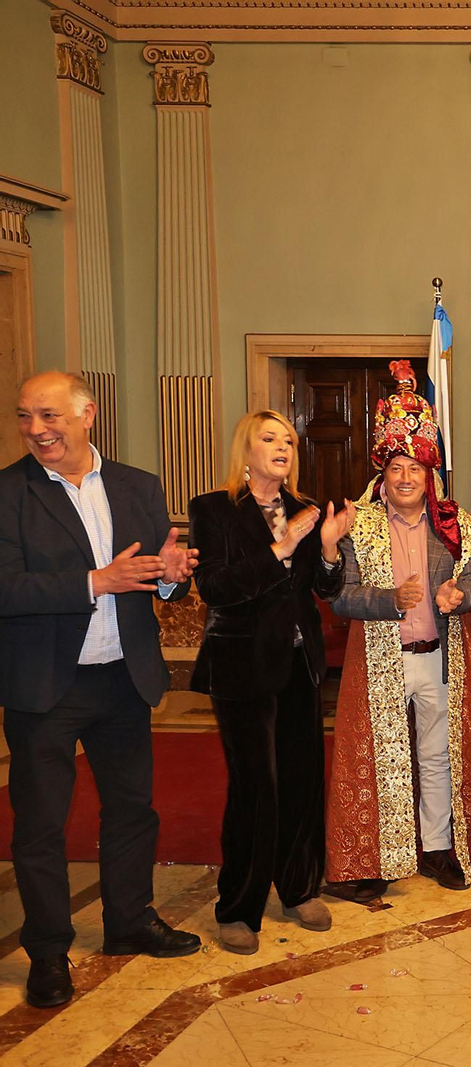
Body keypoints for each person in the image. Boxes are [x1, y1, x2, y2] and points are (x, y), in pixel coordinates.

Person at [1, 372, 201, 1008]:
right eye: (26, 416)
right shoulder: (8, 492)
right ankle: (47, 951)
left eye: (49, 415)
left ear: (87, 413)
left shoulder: (139, 485)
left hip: (123, 676)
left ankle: (128, 921)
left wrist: (171, 577)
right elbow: (6, 588)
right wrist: (95, 581)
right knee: (40, 825)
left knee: (132, 810)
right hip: (45, 685)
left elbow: (157, 578)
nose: (36, 429)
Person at [326, 365, 471, 900]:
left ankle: (439, 850)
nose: (405, 478)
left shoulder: (454, 524)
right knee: (382, 759)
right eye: (396, 467)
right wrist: (388, 600)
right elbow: (341, 596)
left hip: (439, 659)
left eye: (414, 469)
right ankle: (379, 858)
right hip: (382, 660)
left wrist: (459, 596)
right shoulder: (360, 524)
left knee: (437, 755)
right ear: (383, 473)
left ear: (428, 474)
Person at [188, 412, 351, 953]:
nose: (282, 447)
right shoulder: (213, 509)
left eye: (288, 440)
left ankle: (299, 888)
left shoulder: (305, 509)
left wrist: (328, 547)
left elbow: (325, 589)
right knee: (256, 788)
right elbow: (215, 587)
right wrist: (280, 548)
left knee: (302, 782)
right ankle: (239, 907)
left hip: (299, 664)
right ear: (247, 449)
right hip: (241, 668)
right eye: (269, 438)